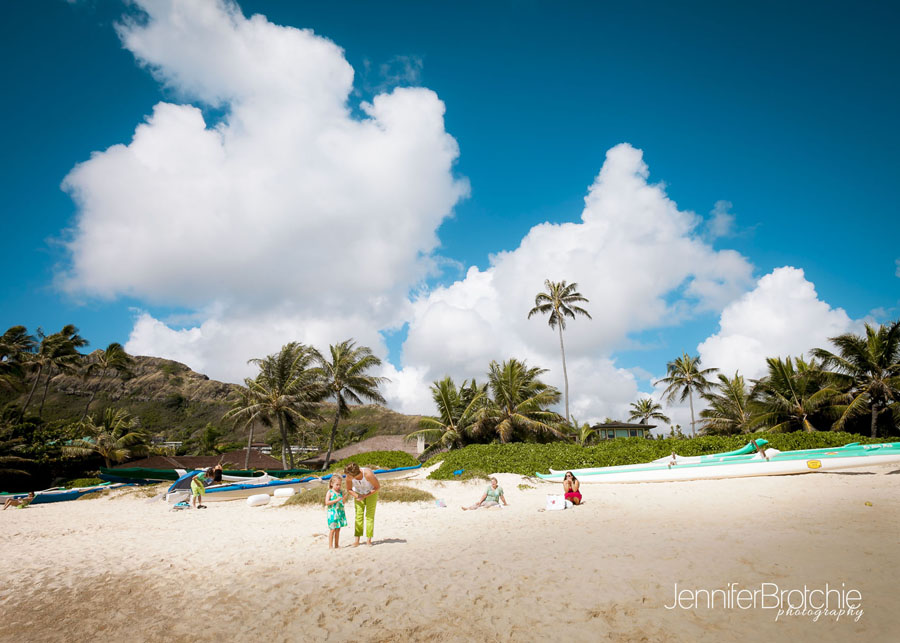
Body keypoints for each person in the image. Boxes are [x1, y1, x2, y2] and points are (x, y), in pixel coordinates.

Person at [344, 462, 380, 546]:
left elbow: (377, 487)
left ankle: (369, 540)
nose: (347, 477)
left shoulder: (368, 474)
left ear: (354, 475)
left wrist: (365, 496)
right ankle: (357, 540)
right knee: (358, 516)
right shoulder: (348, 476)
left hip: (371, 493)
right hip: (358, 493)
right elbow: (349, 489)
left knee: (369, 516)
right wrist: (357, 496)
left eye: (349, 476)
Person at [325, 475, 347, 549]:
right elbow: (327, 502)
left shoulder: (340, 492)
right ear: (332, 484)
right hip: (332, 513)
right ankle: (330, 546)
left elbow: (343, 502)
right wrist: (336, 500)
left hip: (339, 512)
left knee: (338, 529)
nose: (338, 486)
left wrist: (343, 499)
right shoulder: (330, 492)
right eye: (337, 484)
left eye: (340, 485)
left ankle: (337, 545)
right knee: (332, 529)